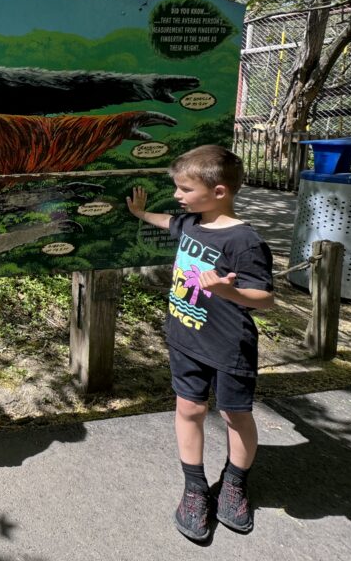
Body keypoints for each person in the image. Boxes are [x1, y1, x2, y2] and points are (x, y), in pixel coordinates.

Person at [127, 145, 273, 541]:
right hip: (184, 338)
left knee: (234, 415)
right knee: (189, 408)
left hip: (229, 346)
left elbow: (265, 297)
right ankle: (194, 489)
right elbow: (170, 223)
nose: (178, 195)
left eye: (185, 189)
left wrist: (230, 293)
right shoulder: (192, 223)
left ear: (220, 191)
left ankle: (235, 484)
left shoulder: (245, 242)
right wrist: (142, 215)